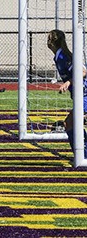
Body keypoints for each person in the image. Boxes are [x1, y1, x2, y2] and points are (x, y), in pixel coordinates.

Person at [47, 29, 87, 159]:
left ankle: (82, 156)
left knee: (70, 123)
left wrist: (67, 83)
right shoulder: (59, 56)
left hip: (85, 96)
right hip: (81, 96)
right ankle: (82, 155)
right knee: (71, 123)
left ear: (52, 41)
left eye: (48, 38)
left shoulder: (63, 56)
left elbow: (82, 72)